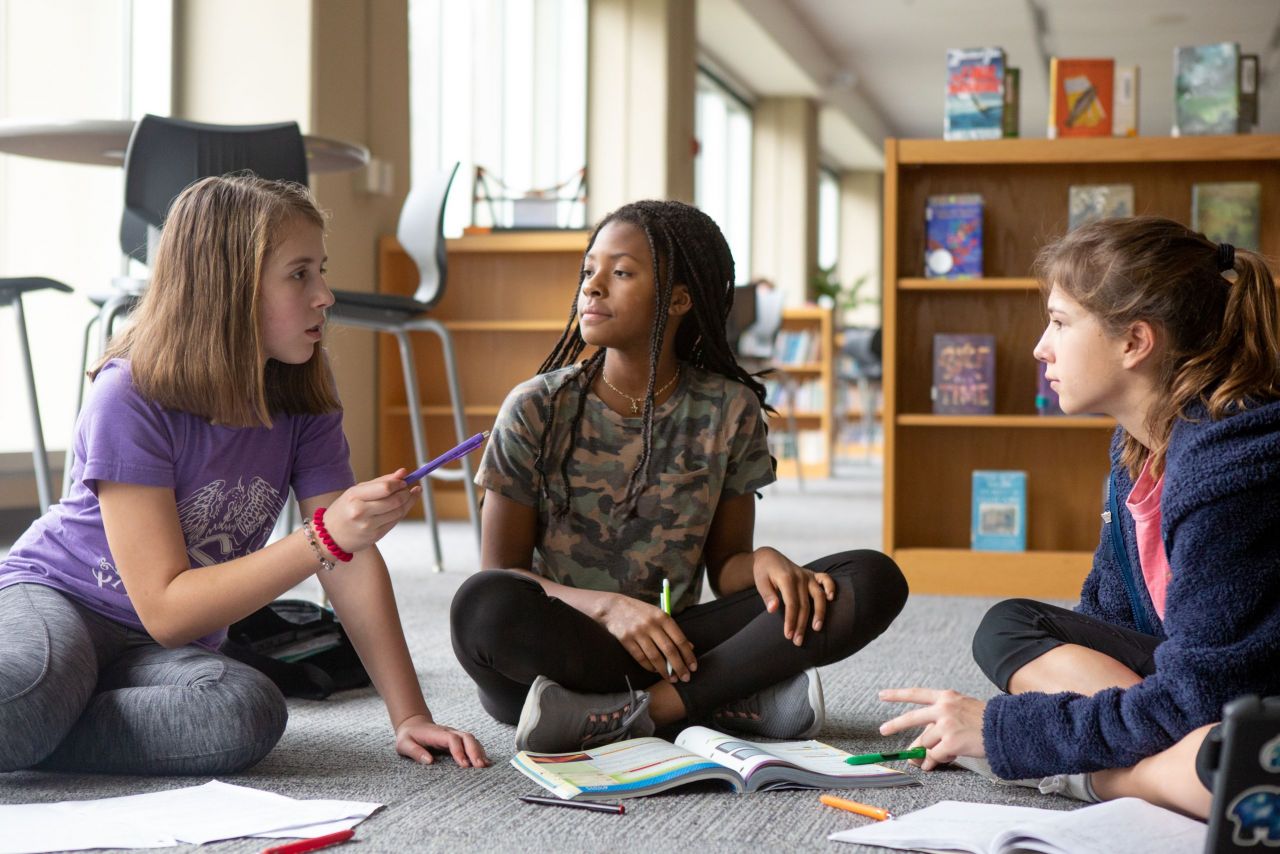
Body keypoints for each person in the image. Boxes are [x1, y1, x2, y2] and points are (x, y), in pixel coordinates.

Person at [0, 175, 489, 775]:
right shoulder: (130, 393)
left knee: (243, 708)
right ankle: (41, 717)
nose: (325, 296)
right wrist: (323, 537)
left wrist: (409, 716)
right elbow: (168, 607)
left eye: (322, 271)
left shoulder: (304, 384)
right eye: (299, 274)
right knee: (30, 691)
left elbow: (347, 560)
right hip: (61, 596)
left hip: (159, 649)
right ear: (228, 287)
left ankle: (44, 730)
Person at [450, 199, 908, 753]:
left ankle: (646, 711)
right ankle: (724, 695)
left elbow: (727, 568)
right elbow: (503, 574)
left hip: (676, 642)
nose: (593, 287)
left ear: (680, 299)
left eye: (620, 273)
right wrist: (608, 608)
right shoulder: (535, 407)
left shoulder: (729, 410)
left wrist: (761, 561)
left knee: (868, 578)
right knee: (481, 608)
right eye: (589, 271)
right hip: (560, 647)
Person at [878, 216, 1280, 818]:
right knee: (1008, 626)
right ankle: (1178, 762)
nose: (1041, 346)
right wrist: (1074, 726)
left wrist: (1005, 734)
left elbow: (1203, 690)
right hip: (1201, 691)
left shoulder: (1228, 462)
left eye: (1061, 323)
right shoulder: (1136, 449)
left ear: (1135, 342)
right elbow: (1109, 622)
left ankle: (1120, 779)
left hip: (1248, 698)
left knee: (1191, 734)